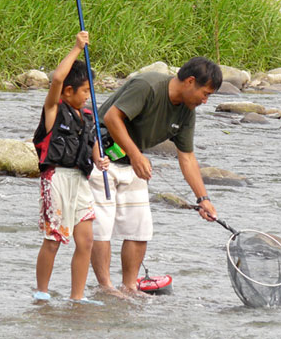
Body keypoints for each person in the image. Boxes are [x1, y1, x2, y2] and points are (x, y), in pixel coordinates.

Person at [88, 57, 223, 296]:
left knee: (139, 230)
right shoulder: (148, 86)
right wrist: (136, 155)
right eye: (205, 93)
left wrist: (203, 198)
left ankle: (129, 287)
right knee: (102, 229)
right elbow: (111, 117)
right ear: (190, 81)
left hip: (134, 163)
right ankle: (106, 287)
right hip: (101, 158)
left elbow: (187, 157)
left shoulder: (187, 112)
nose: (205, 100)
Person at [32, 31, 109, 302]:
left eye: (90, 91)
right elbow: (56, 78)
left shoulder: (87, 116)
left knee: (86, 241)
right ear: (68, 91)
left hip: (81, 181)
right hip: (56, 179)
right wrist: (77, 48)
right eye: (85, 91)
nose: (88, 96)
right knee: (54, 239)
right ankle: (41, 293)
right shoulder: (54, 108)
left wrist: (100, 159)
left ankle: (77, 297)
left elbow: (91, 143)